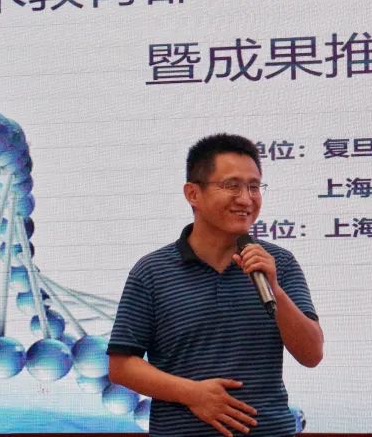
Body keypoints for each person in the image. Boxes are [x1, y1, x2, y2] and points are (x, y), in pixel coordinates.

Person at [107, 133, 324, 436]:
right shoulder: (152, 271)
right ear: (193, 193)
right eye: (232, 186)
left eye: (254, 187)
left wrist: (274, 288)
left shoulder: (279, 264)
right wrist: (192, 393)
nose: (246, 199)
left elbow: (311, 354)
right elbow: (121, 366)